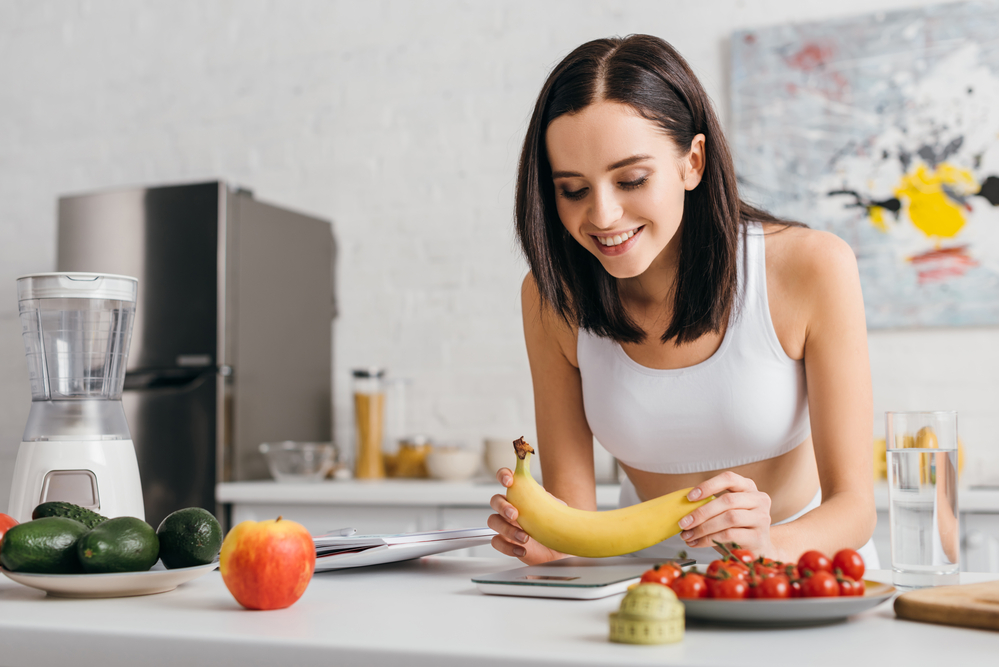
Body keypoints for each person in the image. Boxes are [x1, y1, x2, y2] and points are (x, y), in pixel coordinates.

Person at [488, 34, 879, 567]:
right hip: (644, 579)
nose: (602, 215)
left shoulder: (811, 266)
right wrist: (544, 541)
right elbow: (571, 511)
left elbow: (855, 508)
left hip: (799, 567)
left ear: (692, 162)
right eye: (573, 190)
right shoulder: (552, 298)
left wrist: (769, 546)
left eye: (631, 179)